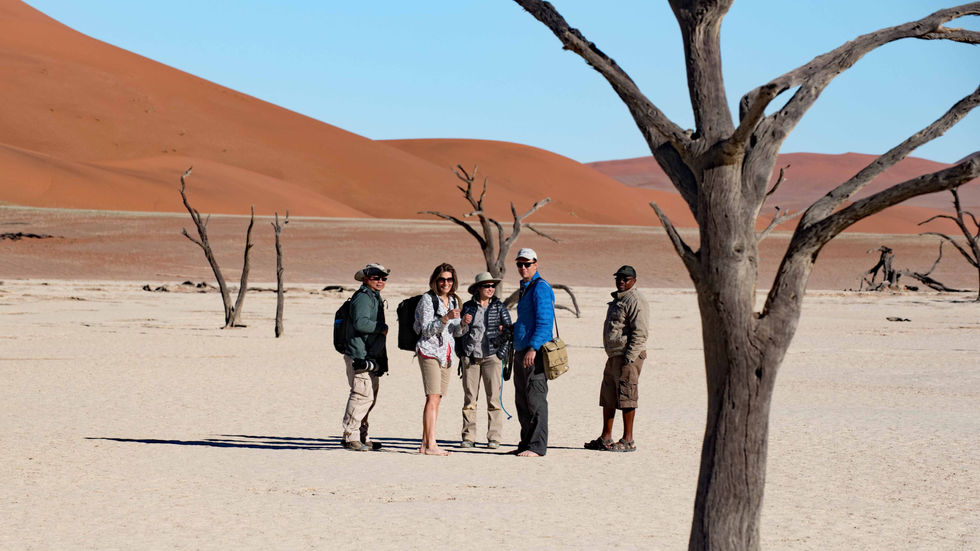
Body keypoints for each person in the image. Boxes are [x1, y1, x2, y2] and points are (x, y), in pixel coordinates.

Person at [585, 265, 649, 452]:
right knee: (608, 396)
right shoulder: (618, 300)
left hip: (628, 356)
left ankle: (628, 440)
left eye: (625, 279)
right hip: (614, 355)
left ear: (634, 281)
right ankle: (606, 437)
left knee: (627, 395)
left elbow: (641, 332)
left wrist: (629, 357)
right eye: (618, 278)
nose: (621, 281)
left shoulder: (635, 299)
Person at [457, 272, 513, 449]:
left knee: (493, 399)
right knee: (469, 399)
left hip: (492, 357)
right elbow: (457, 334)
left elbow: (509, 332)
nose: (490, 289)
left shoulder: (499, 307)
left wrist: (500, 354)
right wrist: (463, 324)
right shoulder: (467, 307)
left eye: (492, 286)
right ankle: (468, 437)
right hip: (471, 357)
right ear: (478, 289)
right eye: (486, 286)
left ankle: (494, 437)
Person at [415, 262, 465, 456]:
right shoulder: (428, 300)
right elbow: (425, 330)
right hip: (429, 351)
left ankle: (424, 443)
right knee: (432, 397)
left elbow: (455, 332)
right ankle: (431, 445)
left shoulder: (453, 301)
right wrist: (445, 318)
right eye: (442, 279)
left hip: (446, 354)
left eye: (449, 279)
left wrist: (463, 325)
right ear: (435, 281)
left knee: (437, 398)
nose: (446, 283)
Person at [341, 263, 390, 452]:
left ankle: (362, 435)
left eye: (383, 278)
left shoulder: (373, 297)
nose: (380, 281)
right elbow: (361, 323)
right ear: (365, 278)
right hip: (359, 353)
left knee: (370, 397)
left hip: (371, 354)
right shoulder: (362, 298)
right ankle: (350, 436)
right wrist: (381, 328)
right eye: (375, 277)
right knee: (361, 396)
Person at [511, 247, 555, 457]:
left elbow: (545, 323)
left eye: (527, 264)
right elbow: (526, 320)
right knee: (522, 399)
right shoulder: (525, 287)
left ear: (536, 264)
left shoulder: (541, 288)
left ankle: (537, 446)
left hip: (533, 353)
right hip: (520, 350)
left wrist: (533, 347)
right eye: (519, 264)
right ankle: (526, 443)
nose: (523, 267)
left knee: (535, 398)